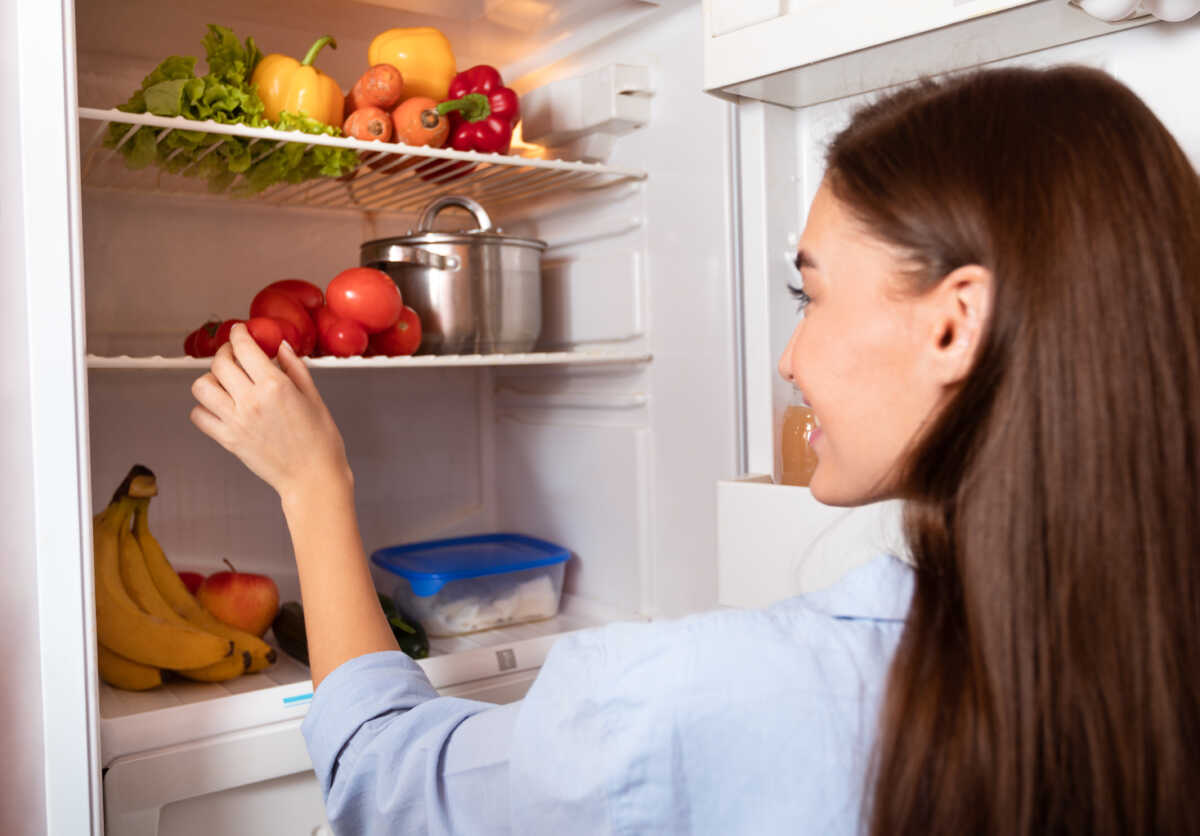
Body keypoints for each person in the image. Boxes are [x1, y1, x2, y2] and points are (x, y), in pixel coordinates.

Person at [189, 63, 1200, 835]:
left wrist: (312, 482)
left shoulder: (711, 697)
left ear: (954, 324)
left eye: (810, 292)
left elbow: (394, 779)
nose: (790, 357)